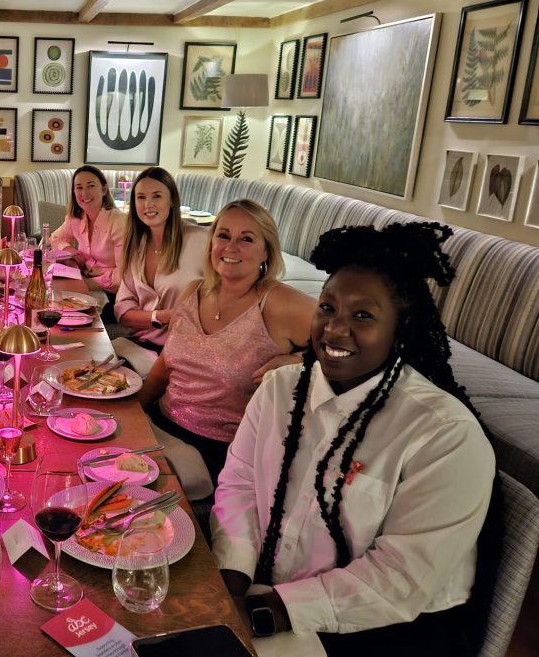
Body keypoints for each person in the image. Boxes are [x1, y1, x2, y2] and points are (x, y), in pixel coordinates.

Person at [212, 222, 499, 656]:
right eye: (327, 307)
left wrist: (261, 613)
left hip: (384, 629)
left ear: (400, 329)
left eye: (362, 315)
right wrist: (229, 585)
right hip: (270, 591)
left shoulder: (444, 435)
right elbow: (239, 484)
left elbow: (400, 579)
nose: (334, 329)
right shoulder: (278, 390)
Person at [136, 199, 316, 485]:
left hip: (215, 454)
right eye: (223, 235)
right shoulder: (193, 291)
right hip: (160, 425)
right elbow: (163, 367)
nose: (231, 247)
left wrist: (299, 361)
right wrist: (132, 414)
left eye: (246, 239)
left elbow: (349, 347)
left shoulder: (279, 303)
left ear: (266, 251)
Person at [114, 167, 207, 351]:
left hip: (186, 350)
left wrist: (145, 317)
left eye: (156, 196)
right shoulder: (136, 245)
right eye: (141, 197)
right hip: (141, 344)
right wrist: (161, 316)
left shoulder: (200, 240)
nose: (148, 204)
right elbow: (123, 313)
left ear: (172, 200)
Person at [51, 165, 126, 299]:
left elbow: (123, 276)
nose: (84, 193)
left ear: (104, 190)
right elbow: (54, 239)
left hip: (114, 293)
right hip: (84, 281)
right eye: (79, 187)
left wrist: (84, 283)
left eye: (91, 186)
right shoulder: (75, 219)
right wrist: (70, 250)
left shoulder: (119, 222)